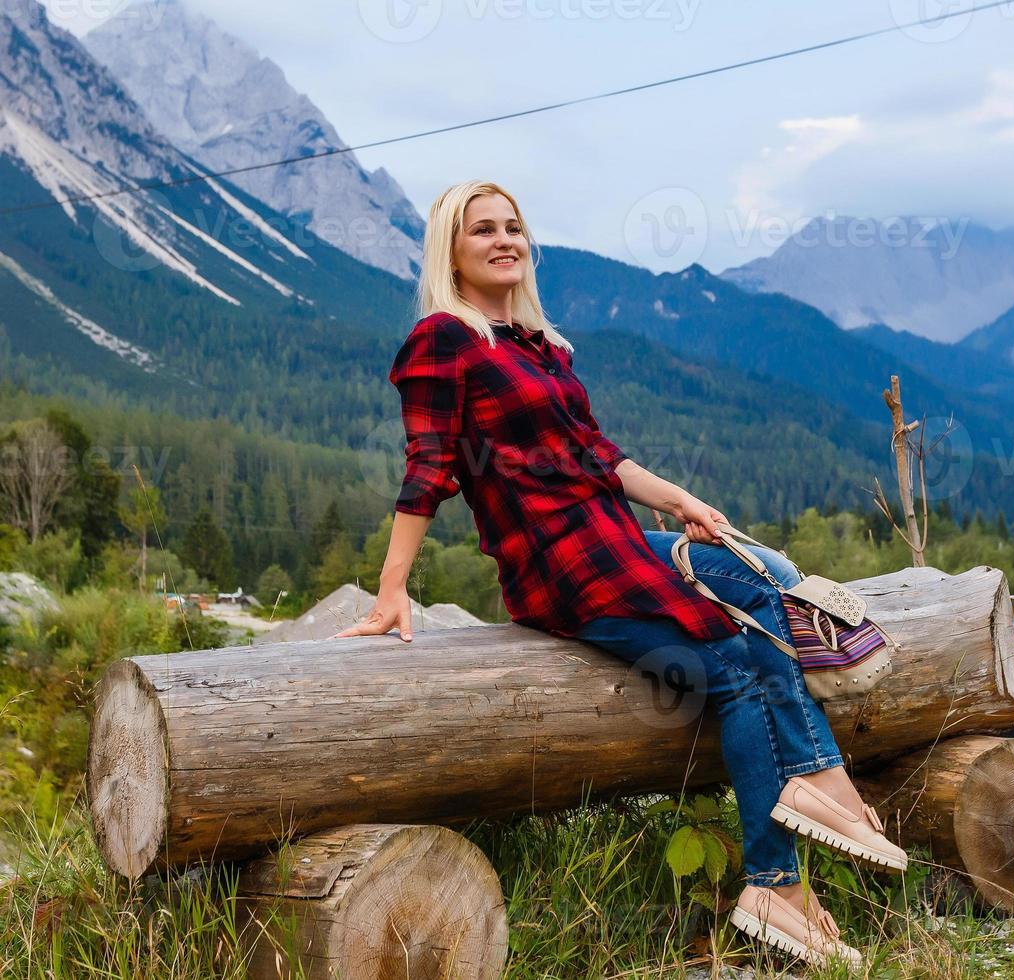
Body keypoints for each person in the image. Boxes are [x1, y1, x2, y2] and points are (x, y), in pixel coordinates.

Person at [334, 179, 906, 968]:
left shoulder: (541, 346)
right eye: (483, 232)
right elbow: (429, 467)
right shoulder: (444, 340)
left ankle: (815, 785)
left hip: (617, 538)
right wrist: (392, 586)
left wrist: (686, 502)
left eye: (514, 227)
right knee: (733, 665)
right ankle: (778, 877)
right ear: (452, 253)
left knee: (769, 582)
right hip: (558, 567)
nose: (505, 241)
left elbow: (600, 458)